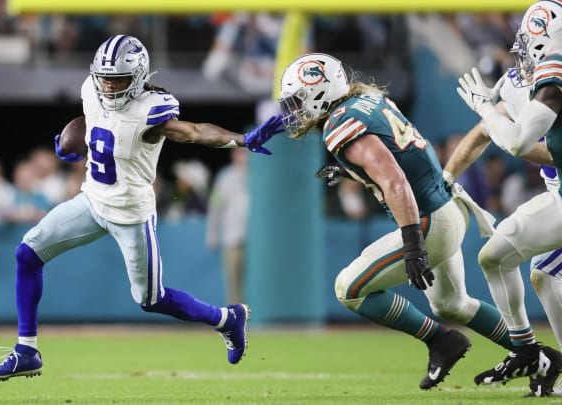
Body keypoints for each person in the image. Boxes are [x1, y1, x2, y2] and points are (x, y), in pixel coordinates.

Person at [0, 34, 284, 382]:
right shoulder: (90, 90)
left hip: (131, 215)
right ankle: (27, 350)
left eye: (118, 79)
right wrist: (76, 147)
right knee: (27, 253)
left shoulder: (151, 110)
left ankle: (226, 319)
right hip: (92, 200)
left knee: (151, 299)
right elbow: (95, 127)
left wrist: (242, 139)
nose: (109, 86)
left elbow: (195, 131)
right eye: (104, 77)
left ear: (138, 77)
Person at [276, 52, 517, 391]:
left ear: (320, 92)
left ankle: (440, 341)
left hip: (428, 220)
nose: (297, 110)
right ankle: (532, 351)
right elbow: (399, 158)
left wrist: (412, 243)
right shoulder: (367, 100)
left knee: (350, 289)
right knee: (452, 303)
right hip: (449, 204)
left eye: (300, 99)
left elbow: (395, 182)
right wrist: (351, 171)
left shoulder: (339, 124)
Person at [455, 0, 562, 393]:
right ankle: (525, 349)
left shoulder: (555, 69)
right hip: (559, 194)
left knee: (543, 273)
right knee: (500, 259)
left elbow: (518, 143)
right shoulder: (544, 74)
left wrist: (487, 109)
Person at [206, 147, 249, 304]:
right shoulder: (225, 178)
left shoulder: (259, 175)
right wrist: (212, 232)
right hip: (233, 238)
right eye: (240, 153)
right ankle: (236, 318)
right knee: (234, 282)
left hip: (257, 241)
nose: (243, 157)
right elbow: (215, 206)